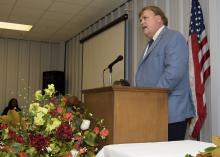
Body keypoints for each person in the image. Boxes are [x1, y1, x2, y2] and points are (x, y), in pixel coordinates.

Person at [135, 6, 195, 141]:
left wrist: (152, 96)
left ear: (159, 19)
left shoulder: (173, 37)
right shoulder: (150, 44)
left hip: (170, 112)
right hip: (153, 110)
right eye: (140, 20)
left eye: (145, 18)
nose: (141, 22)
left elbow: (173, 73)